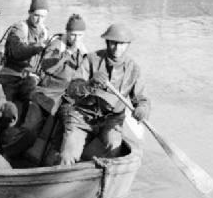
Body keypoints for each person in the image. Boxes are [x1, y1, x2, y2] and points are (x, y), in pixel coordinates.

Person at [58, 23, 150, 166]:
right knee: (67, 156)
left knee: (114, 149)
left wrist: (142, 109)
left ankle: (100, 174)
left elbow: (141, 99)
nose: (117, 48)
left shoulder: (134, 68)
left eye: (122, 44)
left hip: (111, 121)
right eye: (113, 43)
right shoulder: (90, 59)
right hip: (81, 118)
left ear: (128, 45)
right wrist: (90, 84)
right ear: (107, 42)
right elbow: (72, 90)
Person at [3, 13, 88, 160]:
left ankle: (58, 163)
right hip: (45, 95)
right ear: (67, 32)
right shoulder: (56, 45)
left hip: (65, 99)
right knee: (30, 130)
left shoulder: (83, 52)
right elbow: (46, 67)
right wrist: (64, 57)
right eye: (73, 35)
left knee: (70, 130)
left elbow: (84, 77)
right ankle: (7, 153)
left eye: (79, 35)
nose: (76, 39)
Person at [0, 0, 50, 113]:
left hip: (31, 77)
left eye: (43, 17)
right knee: (4, 108)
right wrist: (37, 47)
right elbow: (17, 52)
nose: (39, 20)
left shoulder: (45, 32)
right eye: (36, 15)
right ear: (30, 13)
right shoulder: (20, 28)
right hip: (10, 75)